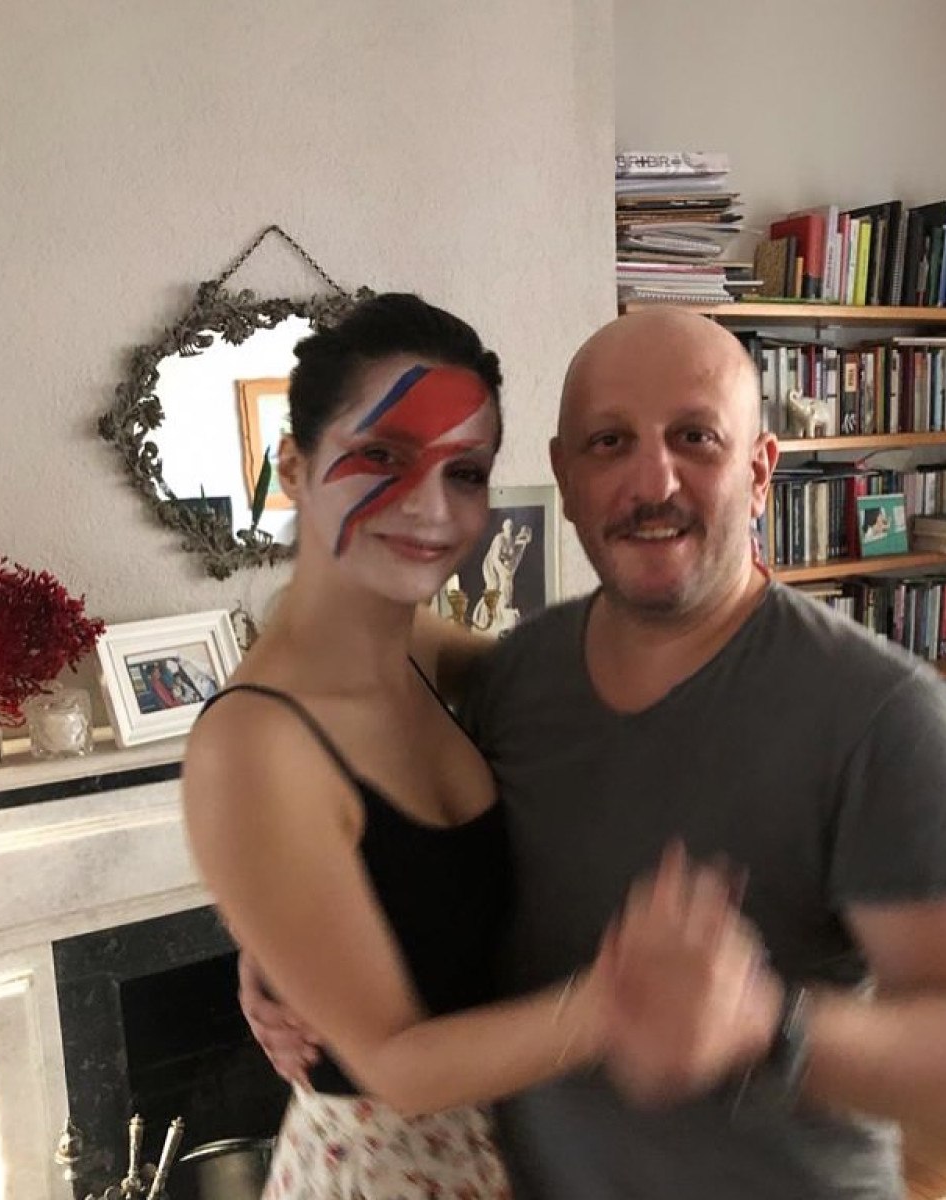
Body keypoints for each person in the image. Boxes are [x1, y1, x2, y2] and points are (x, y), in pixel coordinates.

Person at [243, 307, 946, 1199]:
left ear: (759, 472)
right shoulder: (513, 679)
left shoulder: (886, 718)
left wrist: (768, 1025)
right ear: (566, 479)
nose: (652, 480)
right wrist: (283, 950)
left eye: (695, 437)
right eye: (610, 442)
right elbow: (407, 854)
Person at [183, 295, 755, 1200]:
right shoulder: (252, 741)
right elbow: (396, 1065)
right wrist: (620, 1000)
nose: (430, 508)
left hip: (522, 1144)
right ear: (293, 463)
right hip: (391, 1175)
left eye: (466, 472)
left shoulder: (412, 646)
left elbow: (579, 704)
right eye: (383, 455)